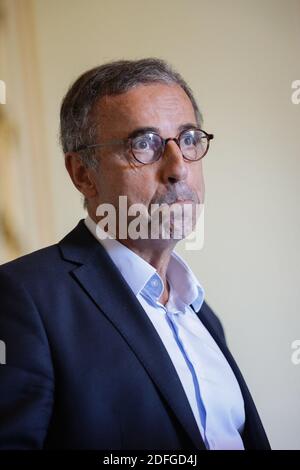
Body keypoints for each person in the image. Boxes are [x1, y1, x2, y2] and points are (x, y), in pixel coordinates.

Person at [0, 58, 270, 450]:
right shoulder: (23, 299)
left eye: (189, 138)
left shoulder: (200, 312)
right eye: (144, 144)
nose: (178, 168)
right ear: (82, 174)